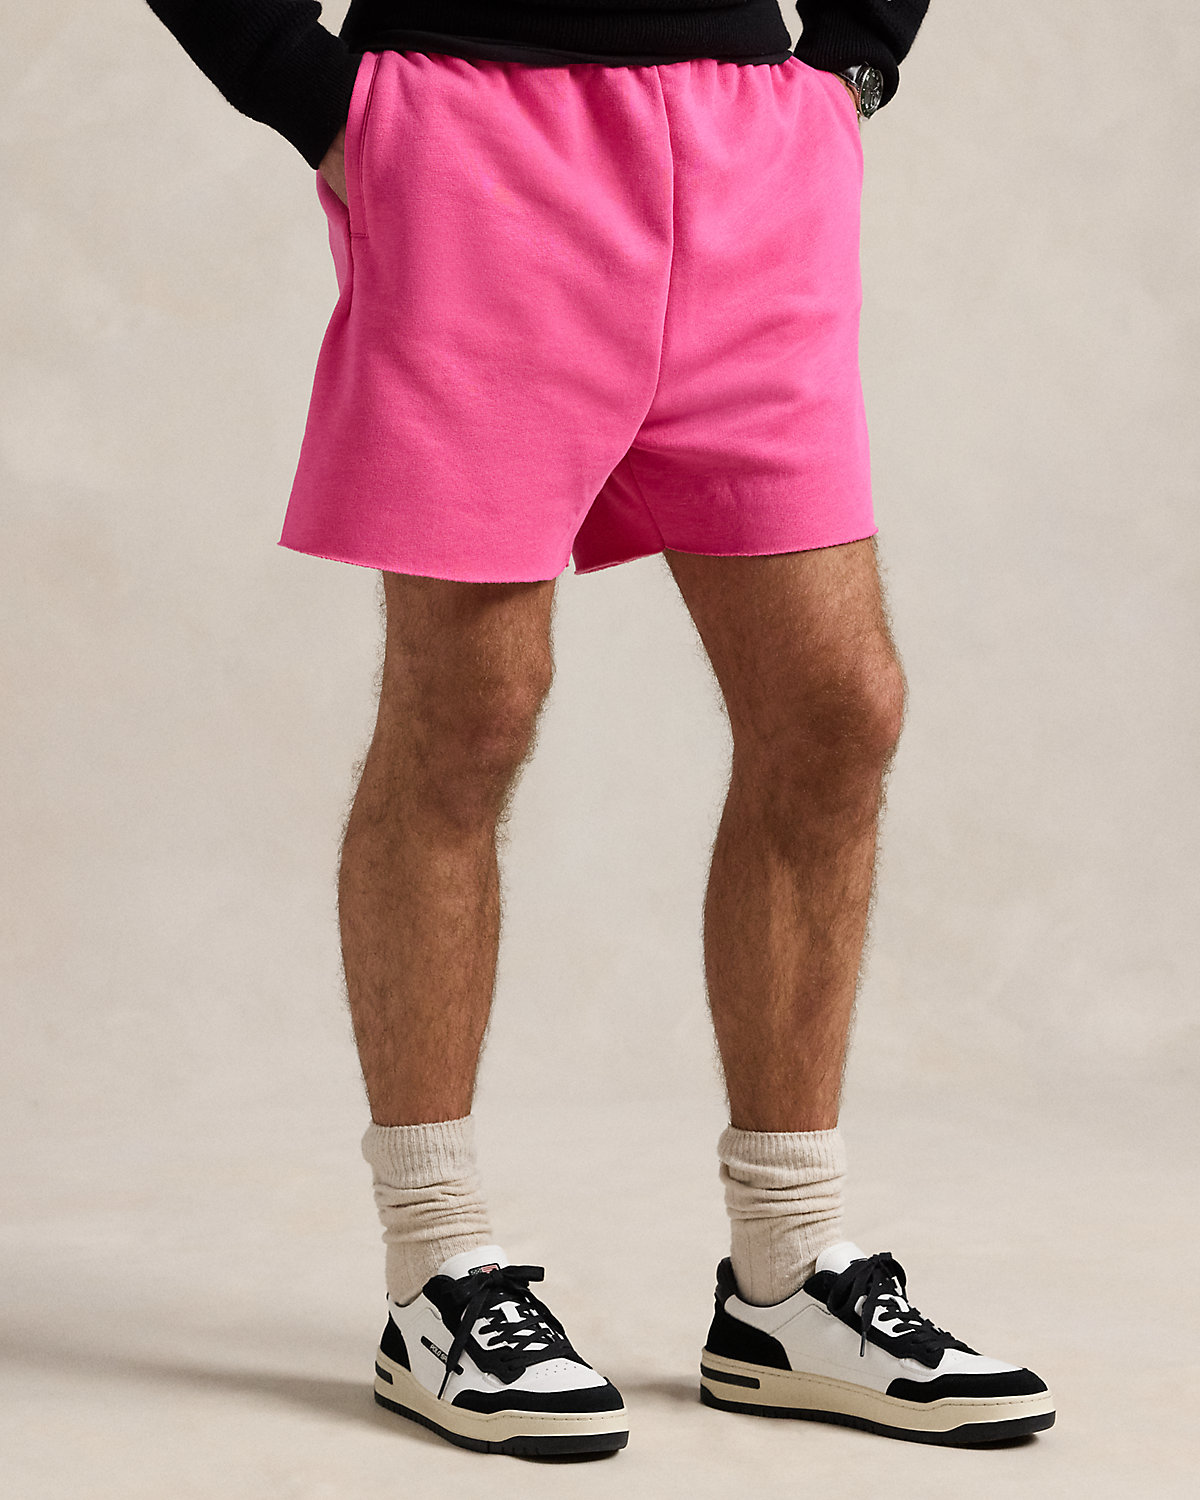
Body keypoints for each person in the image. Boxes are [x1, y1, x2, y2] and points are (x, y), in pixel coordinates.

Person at [143, 0, 1055, 1459]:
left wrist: (856, 60)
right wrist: (313, 95)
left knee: (837, 708)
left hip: (752, 143)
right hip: (472, 134)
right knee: (471, 709)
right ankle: (436, 1269)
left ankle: (786, 1279)